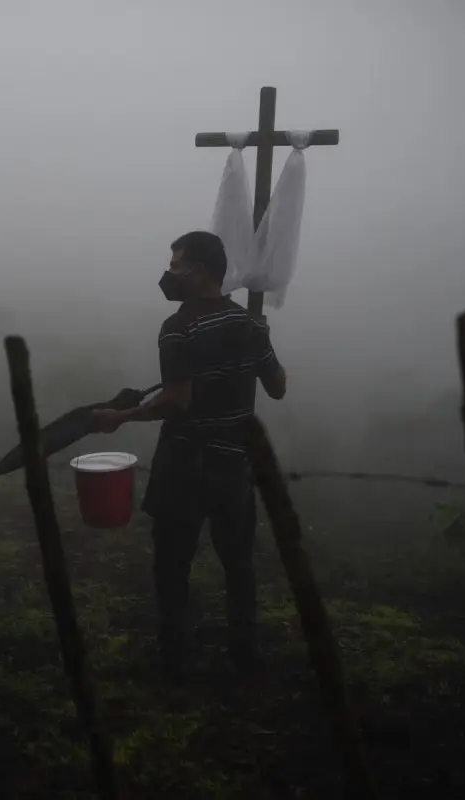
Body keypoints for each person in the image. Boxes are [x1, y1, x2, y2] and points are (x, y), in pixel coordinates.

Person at [91, 231, 286, 681]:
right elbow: (277, 387)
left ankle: (174, 657)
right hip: (235, 465)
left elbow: (175, 401)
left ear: (198, 271)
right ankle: (244, 651)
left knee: (172, 564)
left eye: (176, 265)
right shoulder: (252, 326)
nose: (169, 274)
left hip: (185, 466)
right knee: (238, 563)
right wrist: (260, 349)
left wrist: (119, 416)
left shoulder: (178, 327)